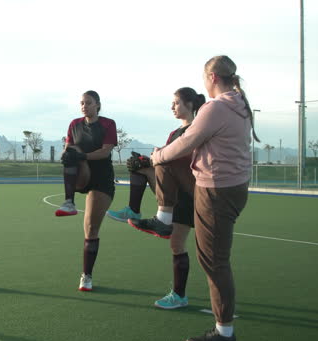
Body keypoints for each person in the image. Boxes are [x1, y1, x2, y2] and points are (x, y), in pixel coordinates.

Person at [149, 56, 257, 341]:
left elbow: (187, 141)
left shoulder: (217, 107)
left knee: (214, 261)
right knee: (213, 259)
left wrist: (157, 156)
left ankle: (224, 333)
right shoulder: (239, 105)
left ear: (211, 77)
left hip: (216, 191)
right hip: (231, 188)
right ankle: (164, 218)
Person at [107, 87, 206, 232]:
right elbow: (166, 158)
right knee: (138, 165)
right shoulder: (174, 133)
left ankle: (161, 217)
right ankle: (133, 210)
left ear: (190, 104)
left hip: (190, 190)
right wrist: (147, 161)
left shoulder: (196, 130)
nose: (172, 107)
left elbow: (181, 160)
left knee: (184, 245)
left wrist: (155, 160)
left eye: (176, 103)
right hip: (173, 191)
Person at [55, 91, 117, 292]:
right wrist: (69, 154)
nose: (84, 106)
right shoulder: (74, 124)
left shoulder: (108, 124)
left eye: (88, 103)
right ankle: (69, 201)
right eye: (82, 103)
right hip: (82, 174)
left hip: (101, 179)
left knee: (91, 227)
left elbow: (105, 151)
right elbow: (68, 148)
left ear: (97, 105)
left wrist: (82, 155)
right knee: (70, 155)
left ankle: (87, 275)